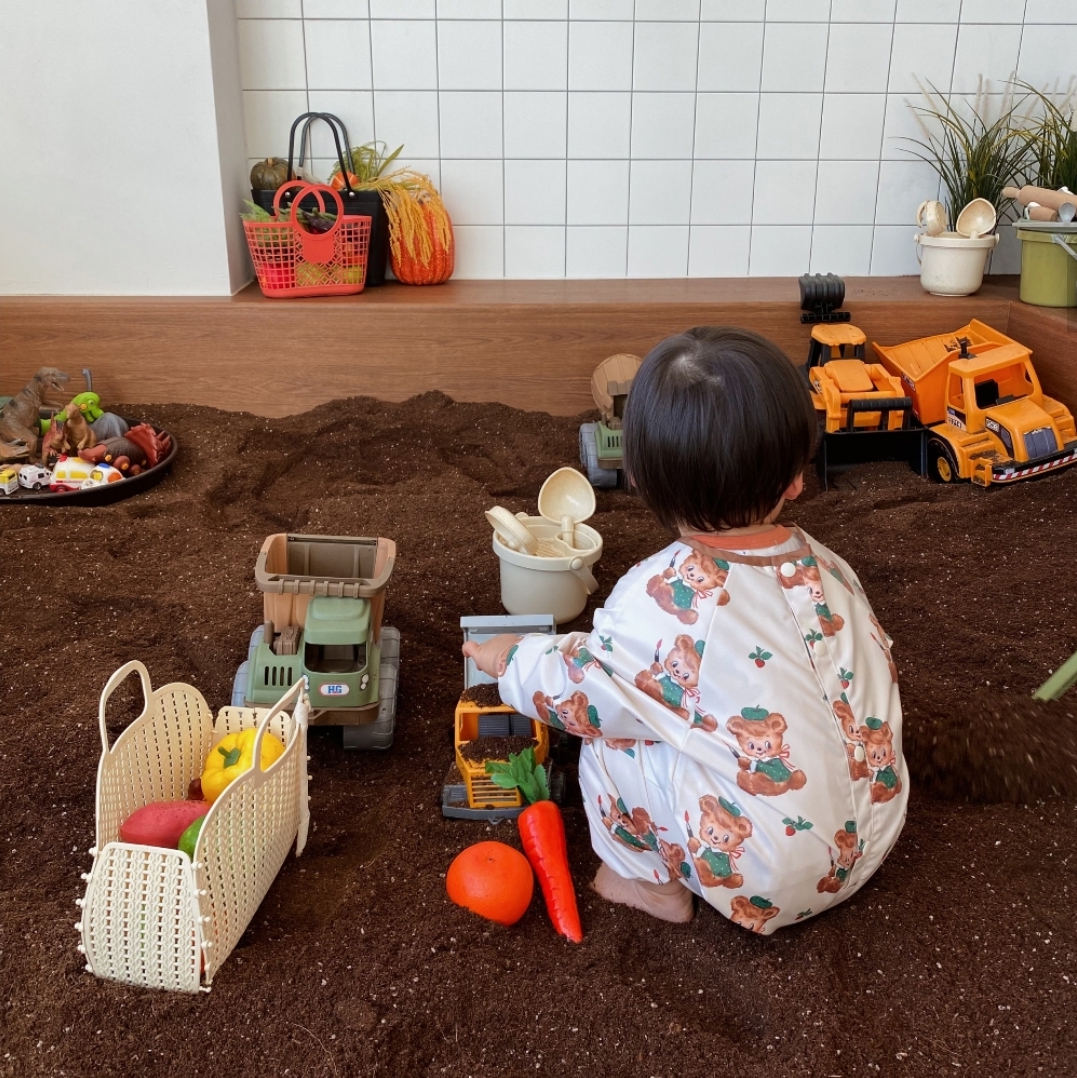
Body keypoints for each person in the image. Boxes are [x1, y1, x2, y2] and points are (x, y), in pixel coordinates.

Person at [462, 327, 907, 933]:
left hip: (766, 879)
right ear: (794, 479)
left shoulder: (663, 594)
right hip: (875, 836)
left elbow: (583, 693)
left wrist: (509, 660)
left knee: (613, 737)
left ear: (640, 478)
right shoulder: (832, 569)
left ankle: (647, 885)